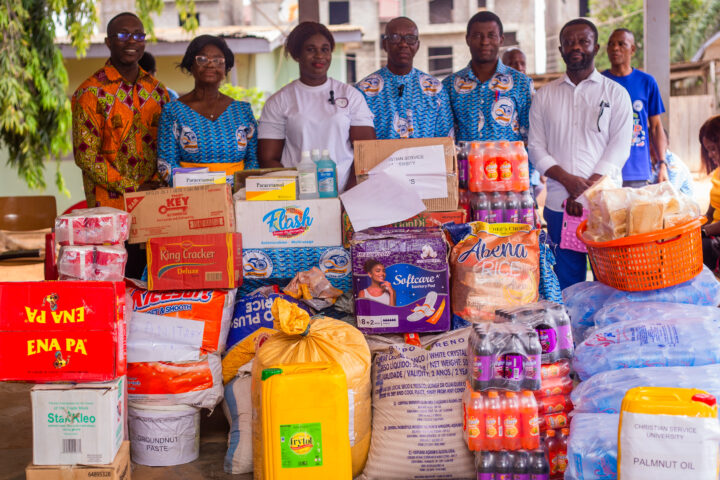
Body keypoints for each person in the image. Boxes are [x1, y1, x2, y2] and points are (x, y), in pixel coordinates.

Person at [528, 18, 633, 289]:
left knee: (610, 282)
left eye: (583, 41)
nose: (575, 47)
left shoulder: (616, 94)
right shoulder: (545, 96)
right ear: (561, 49)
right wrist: (569, 182)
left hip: (605, 205)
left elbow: (620, 147)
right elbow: (536, 148)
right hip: (560, 205)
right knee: (566, 286)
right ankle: (569, 320)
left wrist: (585, 192)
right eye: (569, 42)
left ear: (595, 47)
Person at [258, 21, 376, 192]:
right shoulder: (279, 101)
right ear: (297, 55)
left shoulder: (351, 95)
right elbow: (269, 159)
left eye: (325, 49)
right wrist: (295, 193)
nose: (319, 56)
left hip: (346, 193)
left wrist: (348, 196)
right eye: (310, 49)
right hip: (298, 195)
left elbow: (365, 152)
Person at [72, 12, 170, 210]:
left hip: (155, 201)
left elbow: (168, 145)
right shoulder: (90, 92)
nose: (132, 41)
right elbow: (86, 156)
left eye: (138, 35)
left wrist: (155, 185)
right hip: (109, 206)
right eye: (123, 35)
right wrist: (133, 188)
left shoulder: (158, 91)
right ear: (108, 42)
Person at [157, 35, 258, 185]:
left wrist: (236, 188)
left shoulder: (242, 111)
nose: (210, 65)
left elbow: (253, 159)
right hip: (192, 194)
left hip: (238, 193)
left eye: (218, 60)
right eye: (202, 59)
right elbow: (166, 164)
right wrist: (207, 191)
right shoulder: (173, 111)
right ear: (191, 65)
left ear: (226, 68)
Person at [442, 11, 533, 143]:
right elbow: (446, 137)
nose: (484, 42)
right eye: (477, 35)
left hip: (510, 158)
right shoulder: (449, 86)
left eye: (491, 35)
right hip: (464, 158)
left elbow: (531, 136)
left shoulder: (521, 83)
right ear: (467, 39)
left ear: (501, 39)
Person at [355, 17, 453, 139]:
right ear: (384, 44)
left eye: (410, 38)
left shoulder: (435, 90)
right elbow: (361, 144)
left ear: (417, 45)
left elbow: (446, 142)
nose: (403, 44)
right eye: (395, 37)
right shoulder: (364, 91)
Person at [602, 28, 668, 187]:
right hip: (604, 170)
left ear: (632, 50)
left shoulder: (647, 82)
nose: (615, 48)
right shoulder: (599, 82)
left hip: (637, 170)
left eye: (621, 44)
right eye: (611, 44)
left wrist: (662, 163)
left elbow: (656, 126)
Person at [699, 116, 720, 271]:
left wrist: (704, 232)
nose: (710, 155)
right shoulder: (717, 173)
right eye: (708, 150)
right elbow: (710, 213)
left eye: (713, 149)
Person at [651, 128, 694, 197]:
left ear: (667, 143)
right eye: (651, 143)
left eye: (658, 143)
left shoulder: (674, 164)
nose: (653, 147)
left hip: (681, 202)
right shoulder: (651, 161)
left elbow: (669, 194)